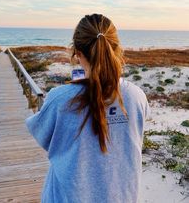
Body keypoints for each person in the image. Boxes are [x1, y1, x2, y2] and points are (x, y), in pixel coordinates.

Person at [26, 13, 150, 203]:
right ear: (116, 49)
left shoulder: (59, 99)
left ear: (78, 53)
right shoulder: (136, 96)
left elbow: (44, 136)